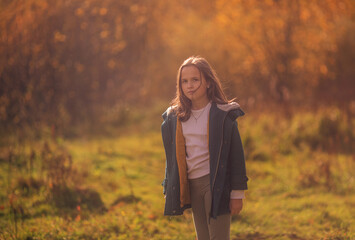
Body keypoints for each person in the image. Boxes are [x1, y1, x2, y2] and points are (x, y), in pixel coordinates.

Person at [161, 56, 248, 240]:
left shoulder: (223, 114)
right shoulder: (176, 116)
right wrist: (169, 185)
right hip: (193, 185)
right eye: (184, 81)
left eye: (195, 80)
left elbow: (236, 155)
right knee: (203, 237)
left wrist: (237, 193)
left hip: (216, 183)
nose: (189, 85)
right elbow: (172, 156)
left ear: (208, 82)